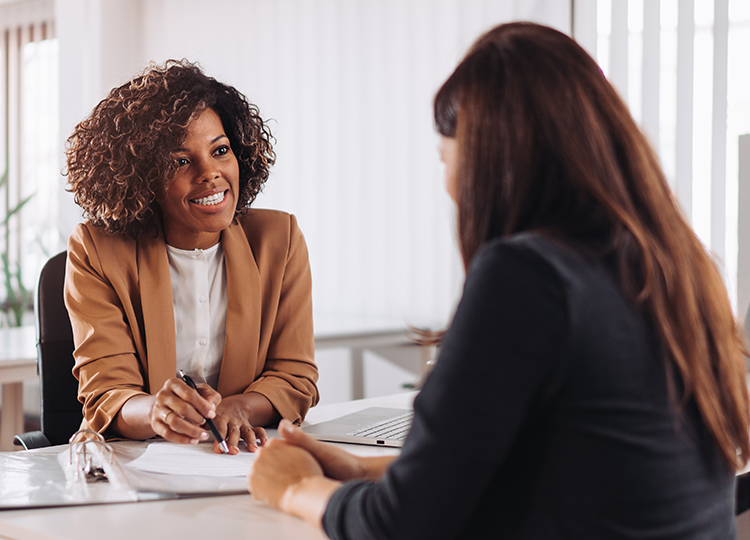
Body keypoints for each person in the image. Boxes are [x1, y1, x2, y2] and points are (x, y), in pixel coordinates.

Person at [247, 22, 750, 538]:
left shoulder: (529, 276)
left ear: (488, 158)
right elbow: (564, 469)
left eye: (446, 158)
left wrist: (293, 488)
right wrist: (358, 468)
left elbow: (402, 527)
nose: (448, 188)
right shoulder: (682, 266)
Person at [64, 60, 319, 454]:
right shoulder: (96, 249)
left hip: (239, 460)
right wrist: (156, 412)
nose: (210, 173)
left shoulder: (278, 240)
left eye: (220, 150)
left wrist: (239, 408)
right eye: (181, 161)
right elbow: (107, 392)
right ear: (142, 175)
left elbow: (294, 376)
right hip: (132, 464)